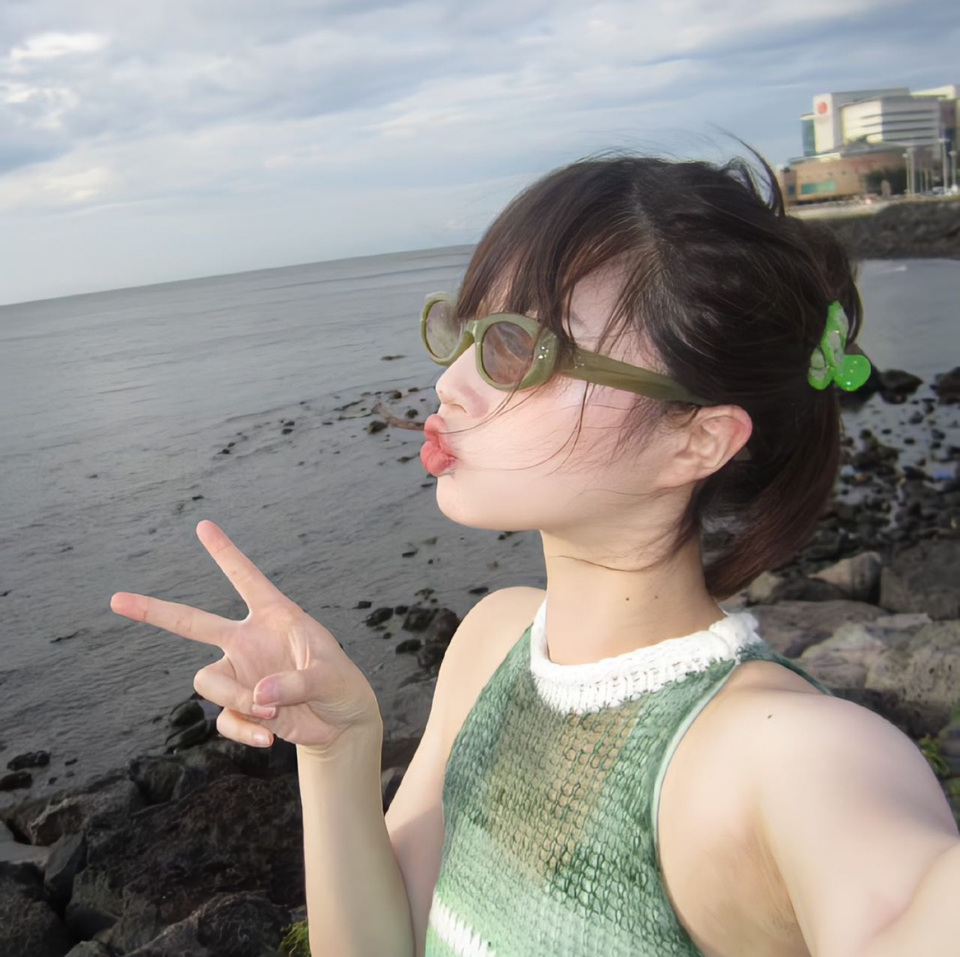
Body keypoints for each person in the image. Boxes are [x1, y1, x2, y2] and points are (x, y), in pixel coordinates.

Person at [111, 155, 959, 957]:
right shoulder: (494, 638)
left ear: (696, 440)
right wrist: (337, 749)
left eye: (517, 347)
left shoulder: (786, 752)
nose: (450, 382)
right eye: (469, 332)